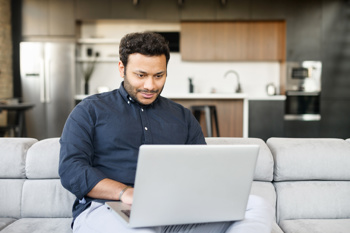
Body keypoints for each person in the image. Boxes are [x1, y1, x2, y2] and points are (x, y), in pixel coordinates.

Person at [59, 32, 273, 233]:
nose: (150, 85)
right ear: (121, 68)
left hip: (173, 212)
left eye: (159, 75)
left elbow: (201, 170)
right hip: (109, 209)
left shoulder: (182, 117)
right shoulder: (89, 110)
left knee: (255, 205)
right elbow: (71, 169)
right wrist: (125, 192)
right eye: (140, 75)